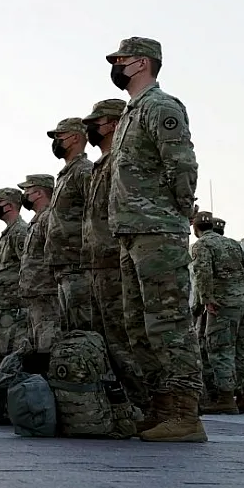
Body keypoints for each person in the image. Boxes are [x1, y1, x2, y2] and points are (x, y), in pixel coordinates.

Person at [107, 36, 204, 442]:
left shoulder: (161, 107)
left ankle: (185, 413)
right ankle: (162, 407)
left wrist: (176, 211)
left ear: (142, 63)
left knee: (168, 323)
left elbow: (181, 164)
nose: (116, 66)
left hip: (157, 229)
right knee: (138, 325)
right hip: (133, 230)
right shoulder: (134, 112)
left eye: (121, 60)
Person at [81, 99, 151, 413]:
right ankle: (129, 404)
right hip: (97, 262)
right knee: (107, 340)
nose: (89, 129)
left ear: (110, 123)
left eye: (95, 122)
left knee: (124, 338)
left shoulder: (119, 161)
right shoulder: (100, 165)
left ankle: (146, 402)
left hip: (113, 259)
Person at [191, 211, 244, 414]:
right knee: (243, 349)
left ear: (196, 228)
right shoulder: (231, 243)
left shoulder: (202, 245)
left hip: (222, 304)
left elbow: (202, 271)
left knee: (220, 349)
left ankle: (225, 398)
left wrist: (206, 299)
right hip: (243, 303)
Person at [45, 118, 94, 332]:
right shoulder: (67, 174)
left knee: (82, 329)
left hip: (78, 264)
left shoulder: (83, 171)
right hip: (65, 266)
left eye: (59, 136)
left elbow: (96, 213)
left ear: (75, 138)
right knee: (69, 329)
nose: (55, 142)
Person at [18, 174, 58, 359]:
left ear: (40, 193)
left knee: (48, 346)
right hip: (34, 294)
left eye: (27, 191)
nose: (24, 195)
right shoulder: (36, 220)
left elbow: (54, 253)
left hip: (46, 292)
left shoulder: (49, 217)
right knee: (37, 346)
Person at [0, 187, 30, 359]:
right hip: (5, 305)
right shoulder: (8, 233)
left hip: (15, 305)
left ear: (11, 205)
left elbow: (27, 265)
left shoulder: (20, 231)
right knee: (4, 352)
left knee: (15, 353)